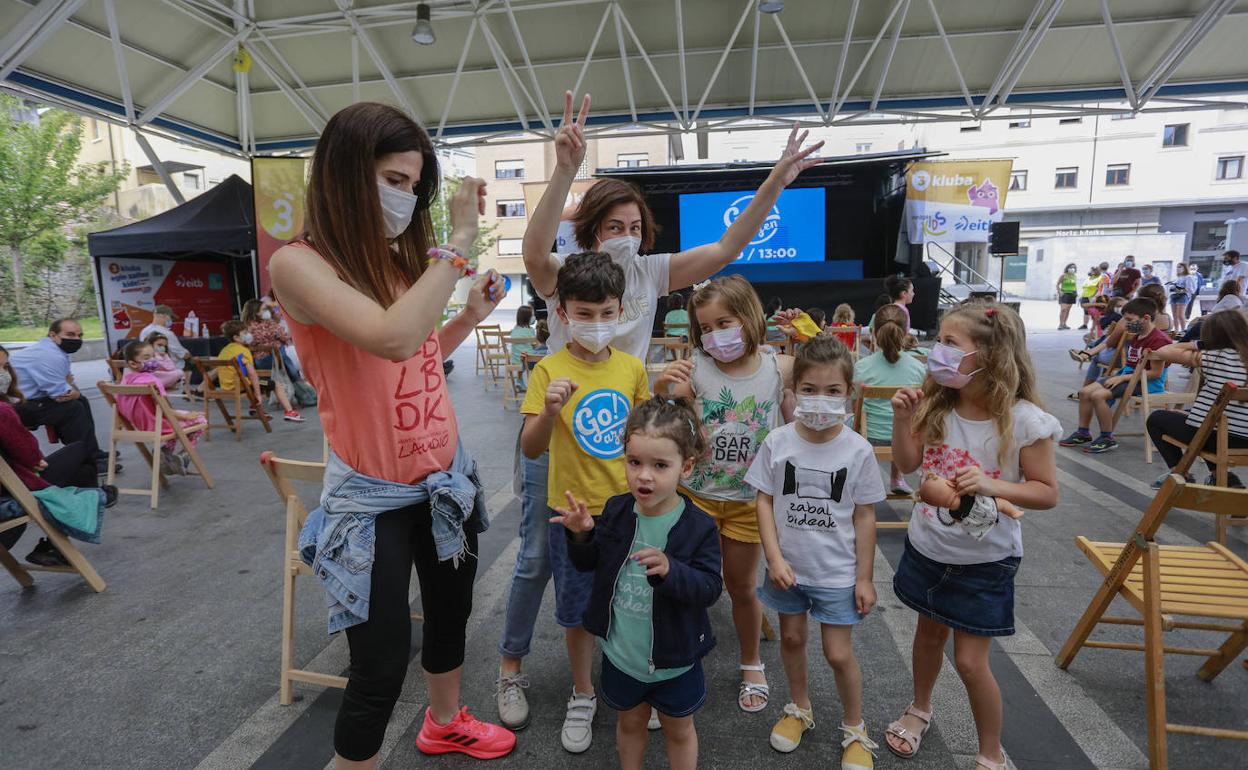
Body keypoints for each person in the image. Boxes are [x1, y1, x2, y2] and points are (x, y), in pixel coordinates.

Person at [497, 89, 822, 730]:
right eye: (613, 227)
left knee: (622, 553)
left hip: (626, 443)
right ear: (590, 233)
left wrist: (775, 184)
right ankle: (510, 667)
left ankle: (628, 663)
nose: (626, 238)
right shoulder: (569, 273)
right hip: (562, 437)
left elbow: (727, 249)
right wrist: (563, 167)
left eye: (634, 227)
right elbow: (534, 254)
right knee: (539, 558)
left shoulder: (650, 274)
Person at [268, 101, 514, 767]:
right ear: (346, 175)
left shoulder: (400, 262)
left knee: (449, 617)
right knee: (377, 667)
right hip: (373, 497)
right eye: (392, 180)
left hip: (443, 482)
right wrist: (459, 239)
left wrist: (468, 316)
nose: (405, 197)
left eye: (412, 185)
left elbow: (417, 353)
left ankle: (446, 721)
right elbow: (392, 335)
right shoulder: (299, 265)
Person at [885, 302, 1060, 770]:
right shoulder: (936, 404)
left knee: (969, 661)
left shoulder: (1024, 420)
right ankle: (920, 707)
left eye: (949, 342)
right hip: (928, 548)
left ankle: (990, 751)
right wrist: (903, 420)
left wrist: (990, 483)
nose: (935, 351)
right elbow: (907, 465)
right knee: (926, 636)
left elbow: (1046, 493)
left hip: (986, 560)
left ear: (989, 355)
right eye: (938, 339)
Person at [516, 251, 651, 751]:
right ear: (563, 314)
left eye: (606, 313)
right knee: (575, 609)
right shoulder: (548, 369)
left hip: (625, 509)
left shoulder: (632, 368)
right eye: (584, 314)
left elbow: (642, 439)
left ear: (621, 311)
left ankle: (634, 683)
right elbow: (532, 446)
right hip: (570, 511)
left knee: (630, 602)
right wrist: (550, 410)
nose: (596, 324)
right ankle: (583, 691)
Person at [553, 396, 722, 770]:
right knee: (629, 723)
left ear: (687, 466)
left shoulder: (698, 526)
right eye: (635, 462)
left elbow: (710, 587)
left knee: (679, 729)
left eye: (660, 465)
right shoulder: (615, 510)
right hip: (621, 655)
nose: (644, 475)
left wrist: (671, 570)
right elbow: (588, 565)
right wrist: (582, 535)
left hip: (676, 661)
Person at [654, 275, 793, 716]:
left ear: (749, 317)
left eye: (724, 322)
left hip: (748, 502)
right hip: (694, 496)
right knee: (677, 582)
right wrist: (664, 390)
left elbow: (817, 400)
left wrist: (805, 336)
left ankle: (751, 662)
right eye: (706, 327)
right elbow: (670, 419)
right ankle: (670, 660)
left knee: (741, 587)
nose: (715, 335)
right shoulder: (695, 366)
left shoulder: (779, 367)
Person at [746, 336, 885, 767]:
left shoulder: (857, 449)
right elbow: (764, 500)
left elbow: (864, 515)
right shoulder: (777, 442)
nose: (820, 400)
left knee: (838, 653)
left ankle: (855, 727)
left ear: (850, 394)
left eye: (832, 391)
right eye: (808, 390)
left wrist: (865, 577)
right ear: (793, 392)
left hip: (837, 573)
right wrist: (773, 557)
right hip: (788, 568)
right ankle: (800, 708)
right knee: (790, 637)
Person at [1146, 310, 1248, 489]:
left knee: (1157, 419)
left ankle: (1180, 473)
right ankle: (1224, 479)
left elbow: (1164, 350)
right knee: (1203, 424)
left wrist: (1201, 345)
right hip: (1244, 437)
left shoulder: (1212, 357)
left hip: (1218, 437)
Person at [1061, 298, 1172, 454]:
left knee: (1099, 396)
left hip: (1147, 382)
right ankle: (1083, 433)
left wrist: (1121, 378)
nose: (1126, 323)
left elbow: (1155, 373)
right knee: (1085, 392)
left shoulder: (1159, 340)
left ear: (1146, 318)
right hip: (1128, 376)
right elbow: (1111, 345)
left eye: (1129, 319)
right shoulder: (1138, 334)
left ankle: (1107, 437)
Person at [8, 319, 109, 474]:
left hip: (29, 400)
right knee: (71, 408)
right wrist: (71, 390)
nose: (76, 339)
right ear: (53, 335)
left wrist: (72, 390)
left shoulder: (55, 350)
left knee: (80, 400)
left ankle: (93, 453)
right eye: (70, 334)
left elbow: (68, 386)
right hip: (12, 407)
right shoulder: (49, 355)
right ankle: (86, 461)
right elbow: (61, 395)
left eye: (79, 335)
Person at [854, 305, 927, 495]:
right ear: (905, 333)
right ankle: (897, 478)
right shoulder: (918, 368)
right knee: (906, 417)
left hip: (870, 437)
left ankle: (861, 480)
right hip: (906, 439)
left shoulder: (861, 367)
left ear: (874, 332)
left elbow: (857, 410)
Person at [116, 340, 207, 477]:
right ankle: (182, 456)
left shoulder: (124, 382)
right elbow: (164, 409)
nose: (153, 360)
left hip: (140, 425)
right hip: (159, 425)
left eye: (153, 356)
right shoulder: (151, 382)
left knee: (184, 418)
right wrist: (185, 416)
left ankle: (167, 453)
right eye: (147, 358)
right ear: (133, 363)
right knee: (200, 419)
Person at [215, 320, 304, 423]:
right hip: (241, 385)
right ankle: (290, 412)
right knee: (275, 384)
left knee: (258, 381)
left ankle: (254, 408)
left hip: (227, 385)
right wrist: (258, 396)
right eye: (244, 333)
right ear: (236, 337)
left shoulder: (225, 350)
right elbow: (252, 375)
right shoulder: (243, 351)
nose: (248, 335)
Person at [137, 304, 192, 369]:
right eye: (170, 317)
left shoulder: (144, 331)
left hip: (151, 367)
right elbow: (183, 355)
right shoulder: (167, 333)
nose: (171, 320)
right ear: (162, 315)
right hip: (172, 368)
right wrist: (189, 355)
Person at [1168, 263, 1198, 329]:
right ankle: (1176, 331)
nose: (1178, 268)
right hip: (1174, 296)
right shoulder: (1177, 277)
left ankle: (1183, 331)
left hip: (1183, 296)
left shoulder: (1188, 277)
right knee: (1174, 316)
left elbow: (1191, 289)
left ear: (1184, 268)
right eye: (1177, 267)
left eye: (1180, 267)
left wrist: (1181, 290)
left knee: (1180, 315)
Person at [1077, 266, 1101, 330]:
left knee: (1091, 310)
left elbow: (1098, 288)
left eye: (1093, 270)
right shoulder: (1089, 278)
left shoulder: (1099, 278)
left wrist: (1094, 296)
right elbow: (1085, 287)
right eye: (1091, 270)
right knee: (1085, 311)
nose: (1091, 272)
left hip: (1092, 297)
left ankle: (1096, 324)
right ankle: (1085, 325)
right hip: (1084, 295)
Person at [1056, 263, 1078, 329]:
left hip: (1072, 294)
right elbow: (1057, 284)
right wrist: (1059, 291)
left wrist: (1076, 292)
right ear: (1067, 268)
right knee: (1063, 309)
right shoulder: (1063, 275)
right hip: (1064, 294)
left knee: (1068, 310)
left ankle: (1064, 324)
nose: (1072, 269)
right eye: (1070, 267)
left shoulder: (1074, 276)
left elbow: (1074, 285)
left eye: (1073, 268)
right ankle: (1060, 324)